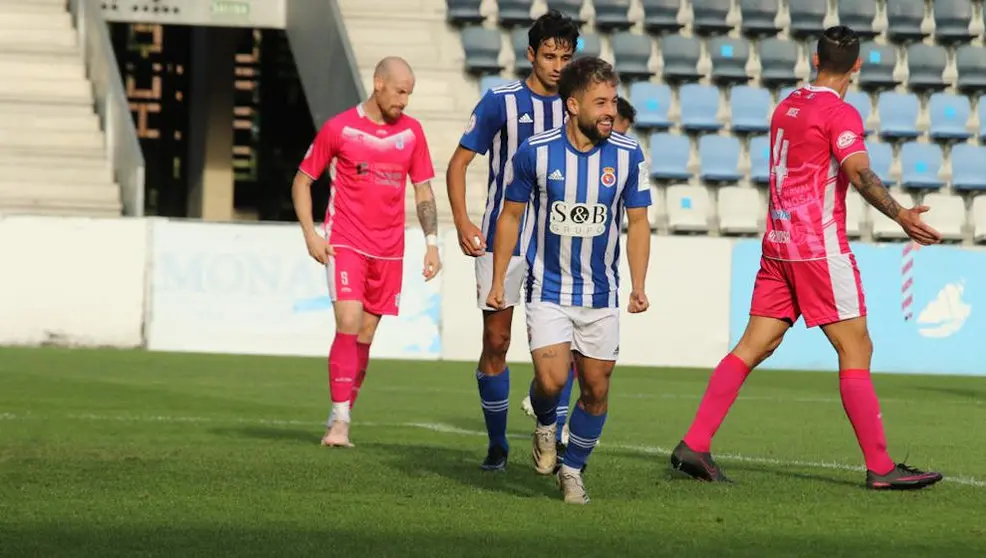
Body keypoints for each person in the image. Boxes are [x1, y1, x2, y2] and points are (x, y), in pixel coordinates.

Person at [669, 26, 945, 491]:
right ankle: (880, 467)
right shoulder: (840, 114)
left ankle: (694, 443)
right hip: (817, 248)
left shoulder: (787, 106)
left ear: (815, 60)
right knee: (856, 347)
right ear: (857, 66)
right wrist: (900, 214)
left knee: (754, 345)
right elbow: (858, 172)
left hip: (778, 244)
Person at [487, 56, 653, 504]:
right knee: (553, 380)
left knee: (596, 389)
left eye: (613, 101)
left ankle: (573, 468)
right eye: (600, 102)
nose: (609, 111)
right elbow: (511, 216)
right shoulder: (536, 152)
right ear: (573, 104)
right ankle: (545, 425)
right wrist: (500, 278)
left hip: (601, 294)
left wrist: (638, 284)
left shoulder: (628, 154)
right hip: (548, 289)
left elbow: (638, 222)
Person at [446, 10, 581, 471]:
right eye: (549, 55)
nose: (557, 65)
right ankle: (498, 445)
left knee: (563, 348)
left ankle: (552, 439)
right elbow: (458, 164)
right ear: (531, 55)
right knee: (497, 342)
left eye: (565, 56)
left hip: (558, 246)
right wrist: (464, 222)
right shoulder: (499, 102)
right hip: (504, 242)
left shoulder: (578, 105)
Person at [292, 56, 442, 449]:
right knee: (348, 319)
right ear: (378, 84)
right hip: (345, 240)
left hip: (389, 248)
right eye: (400, 91)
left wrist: (432, 244)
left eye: (409, 93)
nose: (405, 101)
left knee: (367, 332)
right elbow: (302, 181)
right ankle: (339, 421)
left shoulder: (412, 134)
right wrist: (311, 234)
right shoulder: (339, 128)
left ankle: (343, 410)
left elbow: (423, 190)